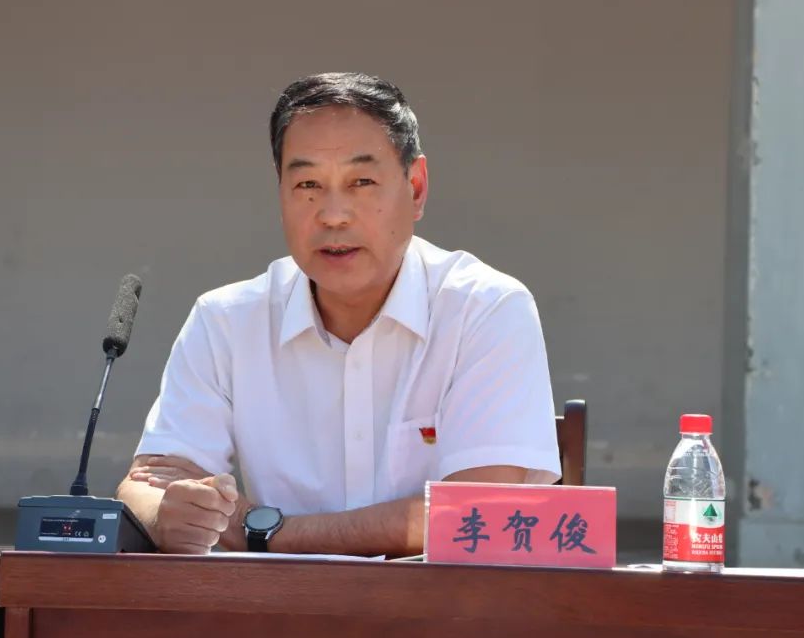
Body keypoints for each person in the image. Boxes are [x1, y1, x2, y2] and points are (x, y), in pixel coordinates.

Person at [117, 72, 560, 557]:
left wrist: (260, 531)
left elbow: (481, 515)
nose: (333, 215)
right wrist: (171, 515)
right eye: (307, 184)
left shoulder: (486, 309)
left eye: (362, 182)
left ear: (416, 188)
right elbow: (150, 482)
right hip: (276, 605)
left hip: (439, 605)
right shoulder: (226, 320)